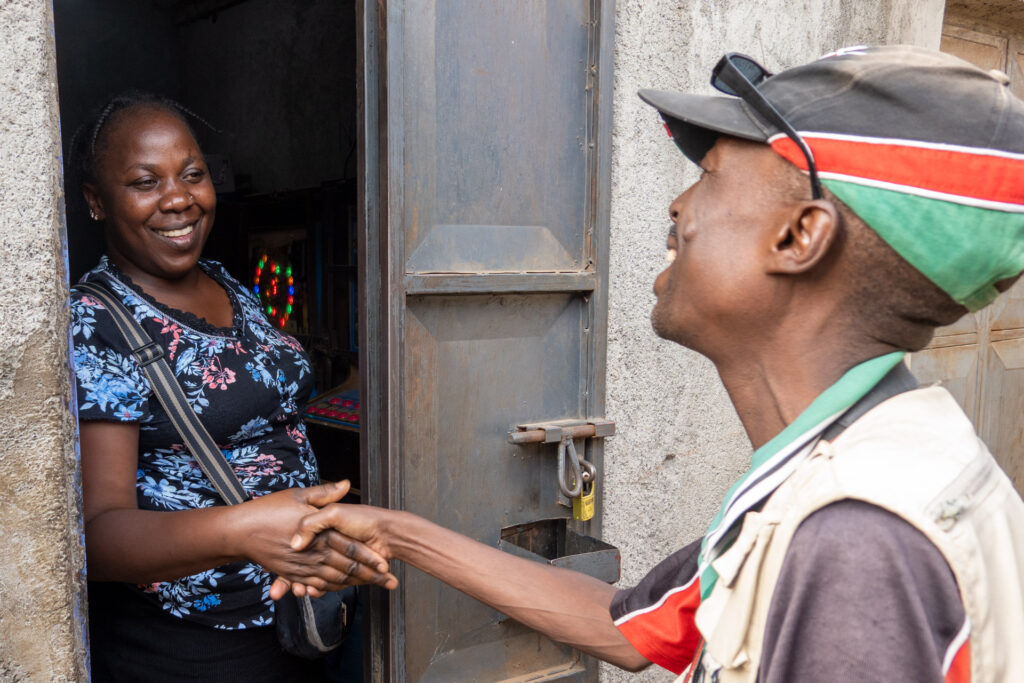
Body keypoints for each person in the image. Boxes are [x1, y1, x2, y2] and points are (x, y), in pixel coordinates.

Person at [282, 46, 1024, 681]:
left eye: (713, 174)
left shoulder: (854, 540)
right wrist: (397, 532)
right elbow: (628, 625)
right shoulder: (848, 467)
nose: (678, 205)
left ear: (801, 236)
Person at [68, 91, 394, 682]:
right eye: (145, 182)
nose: (179, 199)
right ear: (96, 202)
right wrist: (242, 531)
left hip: (296, 618)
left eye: (193, 175)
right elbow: (98, 534)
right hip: (193, 647)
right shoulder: (96, 323)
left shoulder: (226, 283)